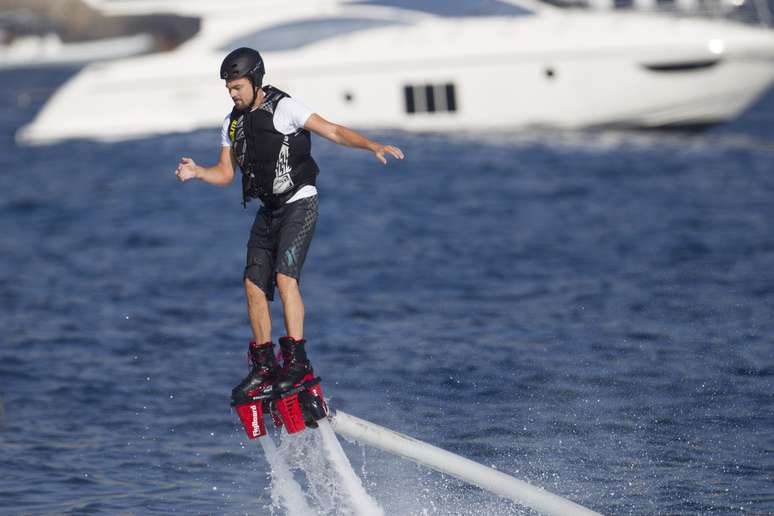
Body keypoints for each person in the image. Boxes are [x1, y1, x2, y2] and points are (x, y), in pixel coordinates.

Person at [174, 47, 404, 402]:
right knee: (252, 284)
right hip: (269, 209)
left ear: (254, 81)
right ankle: (265, 367)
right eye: (228, 89)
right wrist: (198, 172)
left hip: (300, 201)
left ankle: (297, 362)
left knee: (285, 278)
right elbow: (224, 173)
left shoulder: (285, 108)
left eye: (237, 87)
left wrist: (371, 144)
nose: (232, 94)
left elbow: (334, 131)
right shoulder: (231, 123)